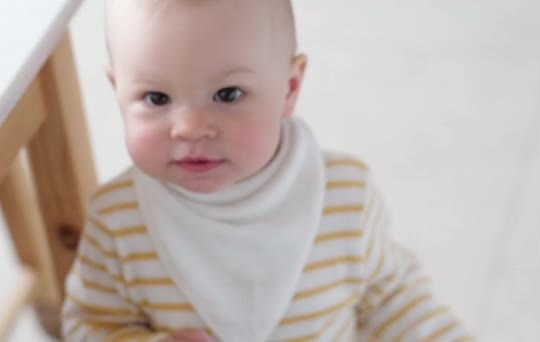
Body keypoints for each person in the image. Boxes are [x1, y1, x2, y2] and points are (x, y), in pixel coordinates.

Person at [61, 1, 471, 341]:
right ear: (117, 91)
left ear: (289, 89)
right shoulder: (118, 219)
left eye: (227, 94)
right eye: (156, 97)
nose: (189, 127)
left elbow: (393, 302)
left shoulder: (344, 197)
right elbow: (88, 323)